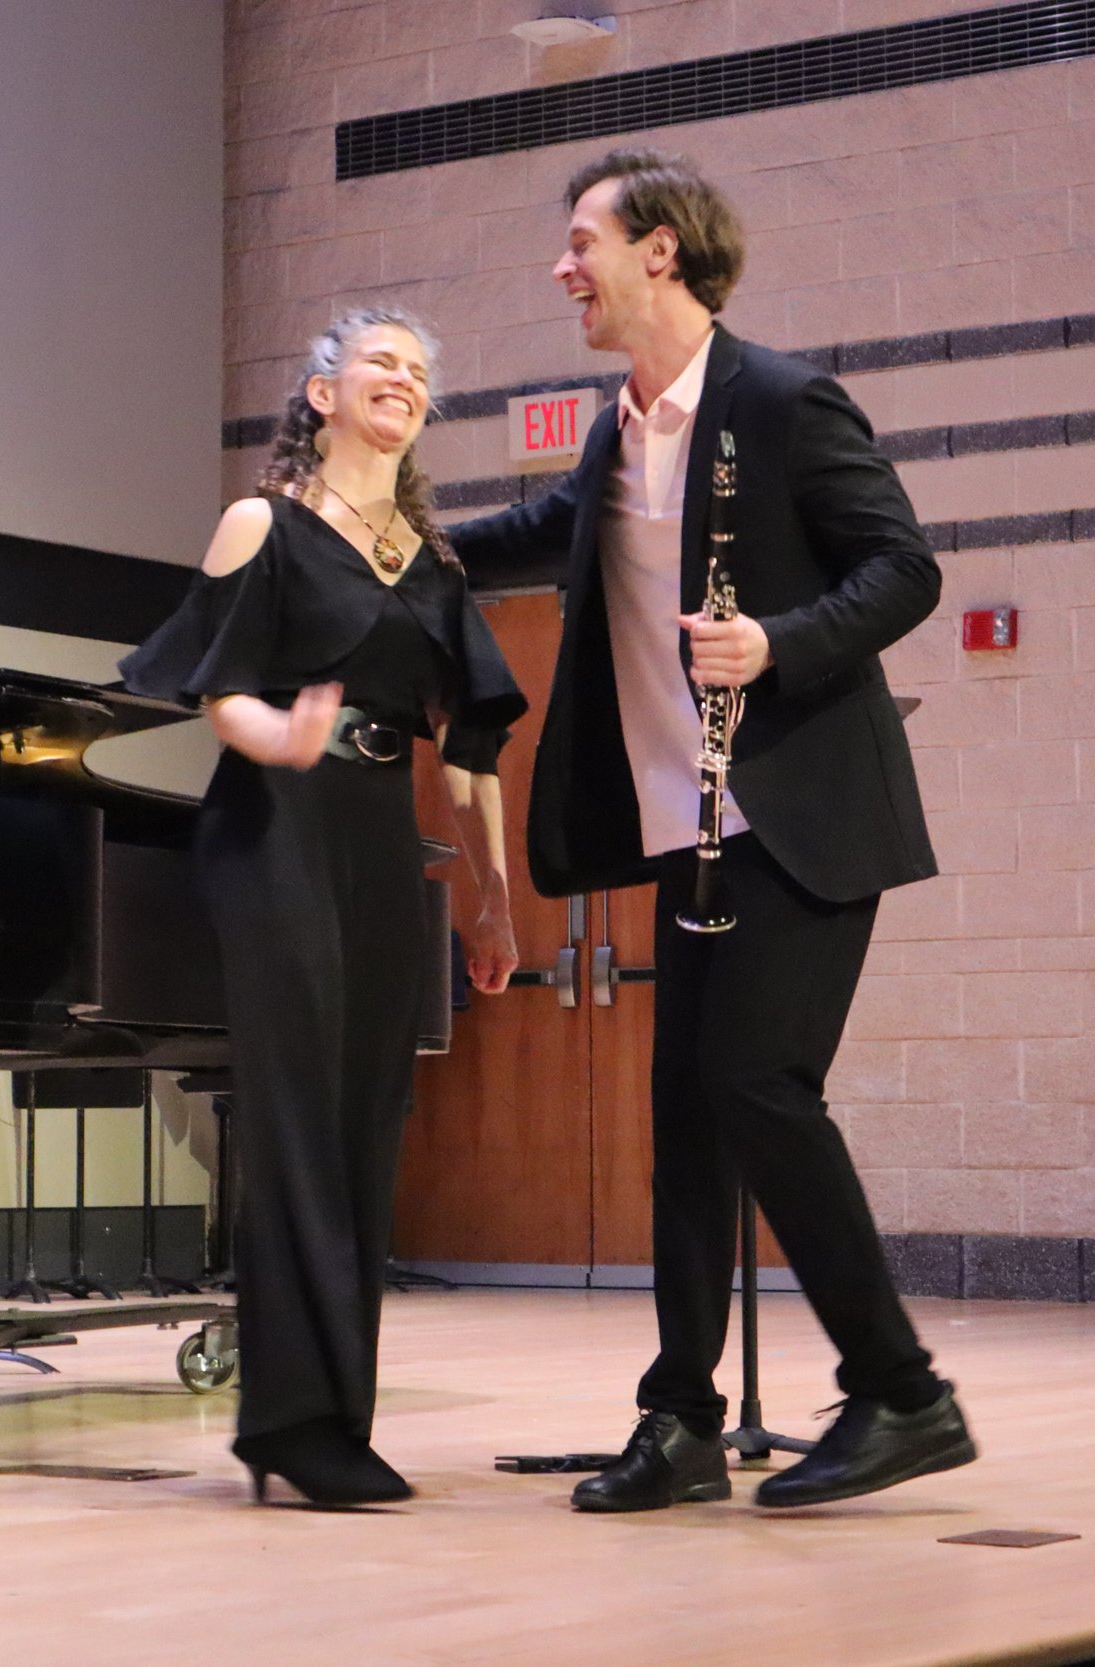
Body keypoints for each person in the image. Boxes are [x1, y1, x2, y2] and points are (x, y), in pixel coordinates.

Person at [450, 150, 973, 1512]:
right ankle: (680, 1417)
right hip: (690, 830)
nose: (563, 268)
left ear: (660, 250)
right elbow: (542, 530)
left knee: (755, 1084)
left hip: (802, 817)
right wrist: (386, 543)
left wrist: (777, 641)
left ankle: (903, 1391)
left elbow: (904, 567)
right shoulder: (617, 434)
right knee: (685, 1118)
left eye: (582, 241)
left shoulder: (784, 401)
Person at [121, 306, 526, 1507]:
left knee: (366, 1119)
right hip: (274, 828)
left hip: (379, 841)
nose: (402, 377)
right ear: (320, 393)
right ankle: (294, 1423)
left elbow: (469, 751)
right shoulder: (266, 523)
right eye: (378, 361)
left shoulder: (432, 562)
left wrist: (494, 899)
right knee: (298, 1118)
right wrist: (283, 739)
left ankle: (337, 1415)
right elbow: (219, 691)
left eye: (418, 369)